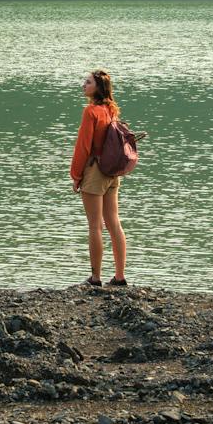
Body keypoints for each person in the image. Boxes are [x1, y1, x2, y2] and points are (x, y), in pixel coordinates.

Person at [70, 67, 130, 288]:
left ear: (98, 88)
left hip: (95, 170)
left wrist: (76, 175)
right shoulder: (111, 109)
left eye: (88, 82)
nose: (83, 85)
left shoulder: (91, 112)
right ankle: (120, 276)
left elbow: (83, 147)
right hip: (112, 171)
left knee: (95, 225)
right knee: (114, 222)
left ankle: (95, 278)